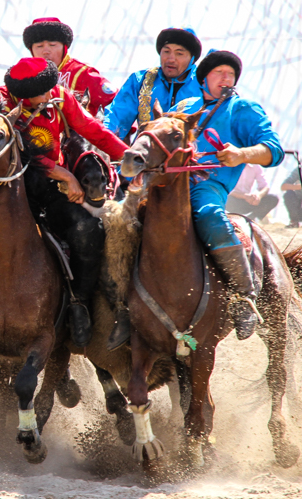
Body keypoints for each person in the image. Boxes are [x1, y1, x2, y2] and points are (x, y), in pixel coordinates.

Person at [0, 57, 127, 347]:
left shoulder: (60, 97)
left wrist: (132, 157)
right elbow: (20, 149)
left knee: (88, 232)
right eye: (45, 91)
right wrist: (63, 174)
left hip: (47, 191)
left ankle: (79, 303)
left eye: (52, 87)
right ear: (23, 96)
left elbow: (93, 131)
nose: (52, 93)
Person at [113, 50, 283, 346]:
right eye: (219, 73)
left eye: (231, 74)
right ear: (203, 79)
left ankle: (244, 298)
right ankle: (119, 307)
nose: (226, 78)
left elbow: (273, 149)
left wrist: (241, 154)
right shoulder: (184, 106)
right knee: (125, 222)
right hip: (166, 183)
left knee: (208, 215)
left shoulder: (243, 109)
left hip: (208, 186)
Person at [106, 27, 203, 143]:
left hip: (190, 157)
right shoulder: (140, 80)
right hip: (142, 155)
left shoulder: (204, 85)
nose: (171, 59)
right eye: (166, 51)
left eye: (179, 53)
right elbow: (116, 117)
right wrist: (103, 141)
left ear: (192, 59)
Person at [23, 17, 117, 117]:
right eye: (39, 46)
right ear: (31, 50)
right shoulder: (23, 78)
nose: (46, 51)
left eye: (52, 45)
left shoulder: (82, 74)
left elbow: (117, 103)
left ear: (65, 47)